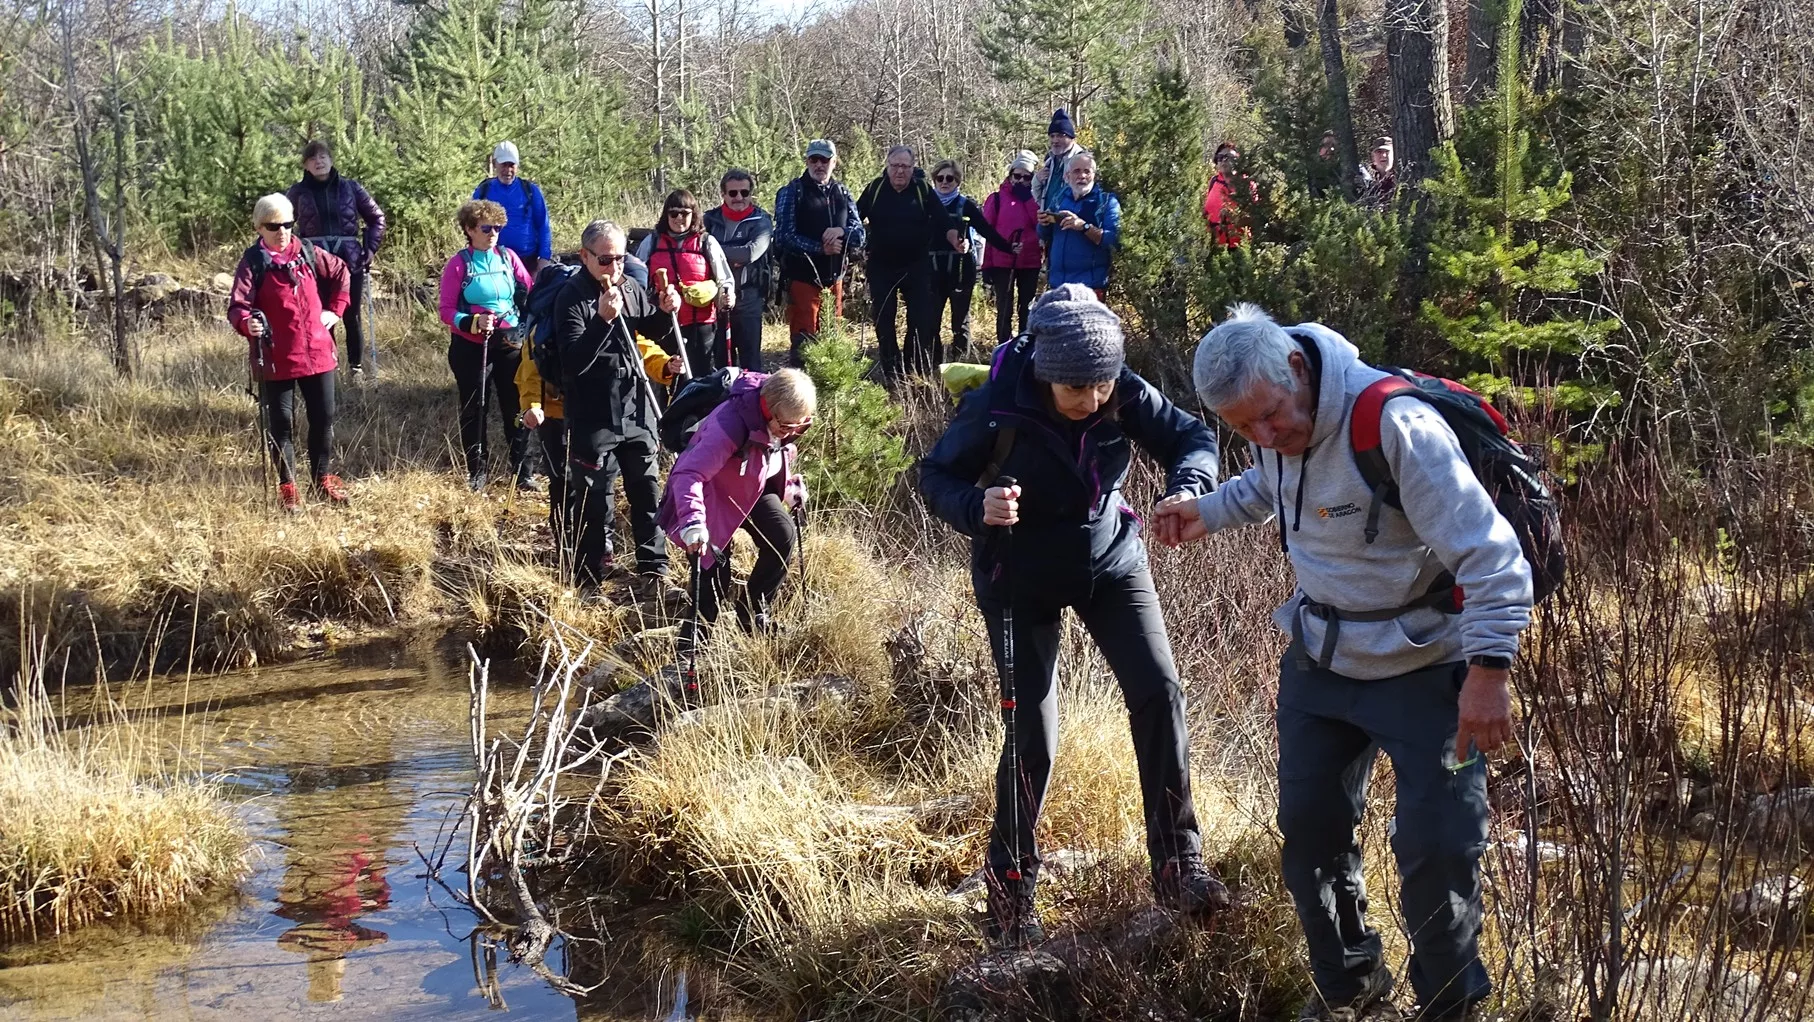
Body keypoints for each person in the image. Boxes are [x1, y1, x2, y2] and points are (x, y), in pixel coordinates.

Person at [1155, 304, 1534, 1022]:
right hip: (1321, 668)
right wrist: (1204, 511)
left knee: (1437, 850)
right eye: (1244, 429)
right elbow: (1268, 488)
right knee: (1310, 840)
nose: (1267, 437)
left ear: (1297, 370)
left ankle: (1450, 1008)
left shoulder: (1394, 428)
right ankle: (1351, 991)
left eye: (1271, 416)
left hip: (1429, 673)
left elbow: (1493, 559)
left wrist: (1488, 674)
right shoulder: (1272, 425)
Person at [918, 284, 1231, 949]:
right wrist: (978, 510)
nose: (1093, 400)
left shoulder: (1119, 386)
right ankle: (1011, 895)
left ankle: (1180, 867)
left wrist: (1188, 487)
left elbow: (1191, 437)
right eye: (1077, 391)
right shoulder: (999, 403)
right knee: (1032, 732)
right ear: (1046, 375)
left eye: (1102, 385)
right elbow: (936, 475)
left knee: (1160, 693)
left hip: (1111, 562)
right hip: (1017, 578)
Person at [552, 220, 688, 603]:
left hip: (637, 406)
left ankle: (654, 571)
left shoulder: (630, 286)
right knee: (596, 499)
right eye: (606, 259)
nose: (615, 268)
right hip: (594, 413)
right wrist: (601, 320)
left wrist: (665, 310)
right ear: (586, 256)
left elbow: (651, 329)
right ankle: (590, 578)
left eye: (621, 258)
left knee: (647, 491)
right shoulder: (571, 296)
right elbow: (573, 360)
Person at [660, 368, 813, 652]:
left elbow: (776, 450)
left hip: (752, 487)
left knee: (781, 536)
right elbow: (688, 474)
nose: (793, 433)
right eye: (787, 427)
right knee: (714, 572)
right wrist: (693, 521)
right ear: (769, 409)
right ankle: (693, 646)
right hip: (712, 495)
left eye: (800, 428)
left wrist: (788, 484)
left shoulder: (784, 418)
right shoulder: (728, 425)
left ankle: (753, 612)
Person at [228, 193, 353, 512]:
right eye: (273, 226)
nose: (282, 231)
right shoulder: (253, 261)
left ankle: (322, 478)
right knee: (282, 424)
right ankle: (288, 487)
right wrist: (247, 324)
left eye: (287, 224)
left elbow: (341, 273)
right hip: (275, 357)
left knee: (323, 418)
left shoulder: (308, 252)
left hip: (318, 353)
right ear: (258, 227)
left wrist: (335, 310)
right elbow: (238, 306)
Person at [438, 199, 536, 491]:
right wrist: (472, 321)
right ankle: (477, 472)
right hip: (471, 345)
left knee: (515, 406)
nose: (493, 233)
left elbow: (528, 290)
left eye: (497, 227)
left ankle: (523, 470)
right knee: (475, 408)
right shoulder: (459, 264)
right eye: (486, 228)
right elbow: (445, 310)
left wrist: (524, 319)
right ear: (469, 230)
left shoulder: (508, 257)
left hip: (508, 341)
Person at [857, 145, 960, 381]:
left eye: (905, 166)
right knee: (884, 320)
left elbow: (944, 221)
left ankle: (911, 369)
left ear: (913, 168)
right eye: (895, 166)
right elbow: (855, 217)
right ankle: (891, 371)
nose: (900, 171)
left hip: (916, 266)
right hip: (881, 266)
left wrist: (955, 238)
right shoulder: (875, 188)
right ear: (887, 166)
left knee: (921, 320)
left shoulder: (922, 188)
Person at [287, 141, 385, 378]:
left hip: (350, 260)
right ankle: (329, 367)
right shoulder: (297, 193)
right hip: (313, 261)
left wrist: (369, 249)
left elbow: (376, 218)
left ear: (331, 160)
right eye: (312, 158)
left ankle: (356, 369)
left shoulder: (351, 188)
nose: (318, 162)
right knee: (320, 313)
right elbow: (284, 224)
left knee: (351, 315)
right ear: (305, 165)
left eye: (323, 157)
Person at [773, 139, 865, 366]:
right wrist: (820, 249)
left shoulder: (842, 191)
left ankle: (830, 397)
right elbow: (783, 236)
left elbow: (860, 235)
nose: (819, 165)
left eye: (824, 160)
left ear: (834, 162)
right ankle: (800, 397)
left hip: (835, 279)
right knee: (804, 344)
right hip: (803, 279)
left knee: (833, 341)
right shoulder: (792, 191)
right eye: (814, 159)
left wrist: (841, 231)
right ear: (807, 161)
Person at [636, 189, 736, 376]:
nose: (679, 218)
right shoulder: (652, 242)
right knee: (666, 375)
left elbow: (724, 279)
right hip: (661, 323)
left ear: (694, 215)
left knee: (698, 375)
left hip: (700, 324)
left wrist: (727, 296)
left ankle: (700, 405)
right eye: (673, 213)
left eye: (685, 213)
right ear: (666, 215)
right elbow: (637, 279)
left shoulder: (707, 242)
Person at [927, 159, 1016, 364]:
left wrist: (1008, 248)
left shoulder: (966, 205)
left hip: (960, 270)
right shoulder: (926, 205)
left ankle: (960, 367)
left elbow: (986, 231)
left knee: (960, 323)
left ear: (957, 181)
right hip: (932, 271)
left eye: (950, 178)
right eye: (940, 178)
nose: (944, 182)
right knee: (931, 323)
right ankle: (935, 367)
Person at [703, 169, 775, 370]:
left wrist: (715, 250)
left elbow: (750, 254)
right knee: (721, 362)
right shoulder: (709, 219)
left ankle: (750, 400)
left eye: (744, 192)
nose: (739, 198)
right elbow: (698, 250)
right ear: (723, 195)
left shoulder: (761, 220)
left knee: (751, 362)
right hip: (715, 299)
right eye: (733, 193)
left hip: (749, 299)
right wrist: (732, 254)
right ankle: (724, 401)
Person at [981, 151, 1043, 348]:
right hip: (1002, 262)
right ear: (1010, 175)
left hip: (1030, 261)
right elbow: (987, 233)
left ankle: (1024, 347)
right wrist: (986, 265)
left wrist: (1029, 200)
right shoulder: (996, 199)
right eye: (1017, 175)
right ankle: (1003, 348)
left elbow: (1041, 226)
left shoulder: (1037, 200)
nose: (1021, 181)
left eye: (1027, 177)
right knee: (1004, 308)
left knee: (1026, 308)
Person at [1039, 154, 1120, 297]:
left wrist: (1084, 227)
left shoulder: (1106, 202)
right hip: (1058, 286)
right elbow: (1043, 234)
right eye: (1076, 171)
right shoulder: (1060, 198)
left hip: (1089, 288)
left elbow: (1112, 240)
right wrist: (1043, 223)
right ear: (1067, 175)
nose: (1082, 176)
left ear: (1094, 175)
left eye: (1087, 171)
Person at [473, 141, 552, 274]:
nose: (508, 170)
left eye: (511, 165)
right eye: (504, 165)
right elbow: (472, 226)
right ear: (495, 163)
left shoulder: (530, 191)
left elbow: (543, 225)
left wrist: (544, 258)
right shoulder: (483, 192)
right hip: (493, 262)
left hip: (528, 262)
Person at [1031, 108, 1090, 215]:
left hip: (1070, 222)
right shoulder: (1050, 161)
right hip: (1049, 222)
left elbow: (1087, 195)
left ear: (1071, 138)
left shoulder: (1082, 160)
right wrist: (1037, 180)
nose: (1055, 140)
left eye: (1060, 136)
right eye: (1052, 136)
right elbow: (1041, 198)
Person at [1202, 142, 1255, 249]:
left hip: (1239, 248)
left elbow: (1255, 217)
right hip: (1213, 246)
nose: (1224, 161)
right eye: (1220, 157)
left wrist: (1232, 218)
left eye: (1229, 157)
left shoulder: (1246, 184)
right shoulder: (1214, 181)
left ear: (1238, 160)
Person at [1360, 136, 1397, 209]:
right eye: (1379, 152)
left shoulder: (1401, 176)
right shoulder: (1365, 174)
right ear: (1373, 156)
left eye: (1387, 152)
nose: (1383, 155)